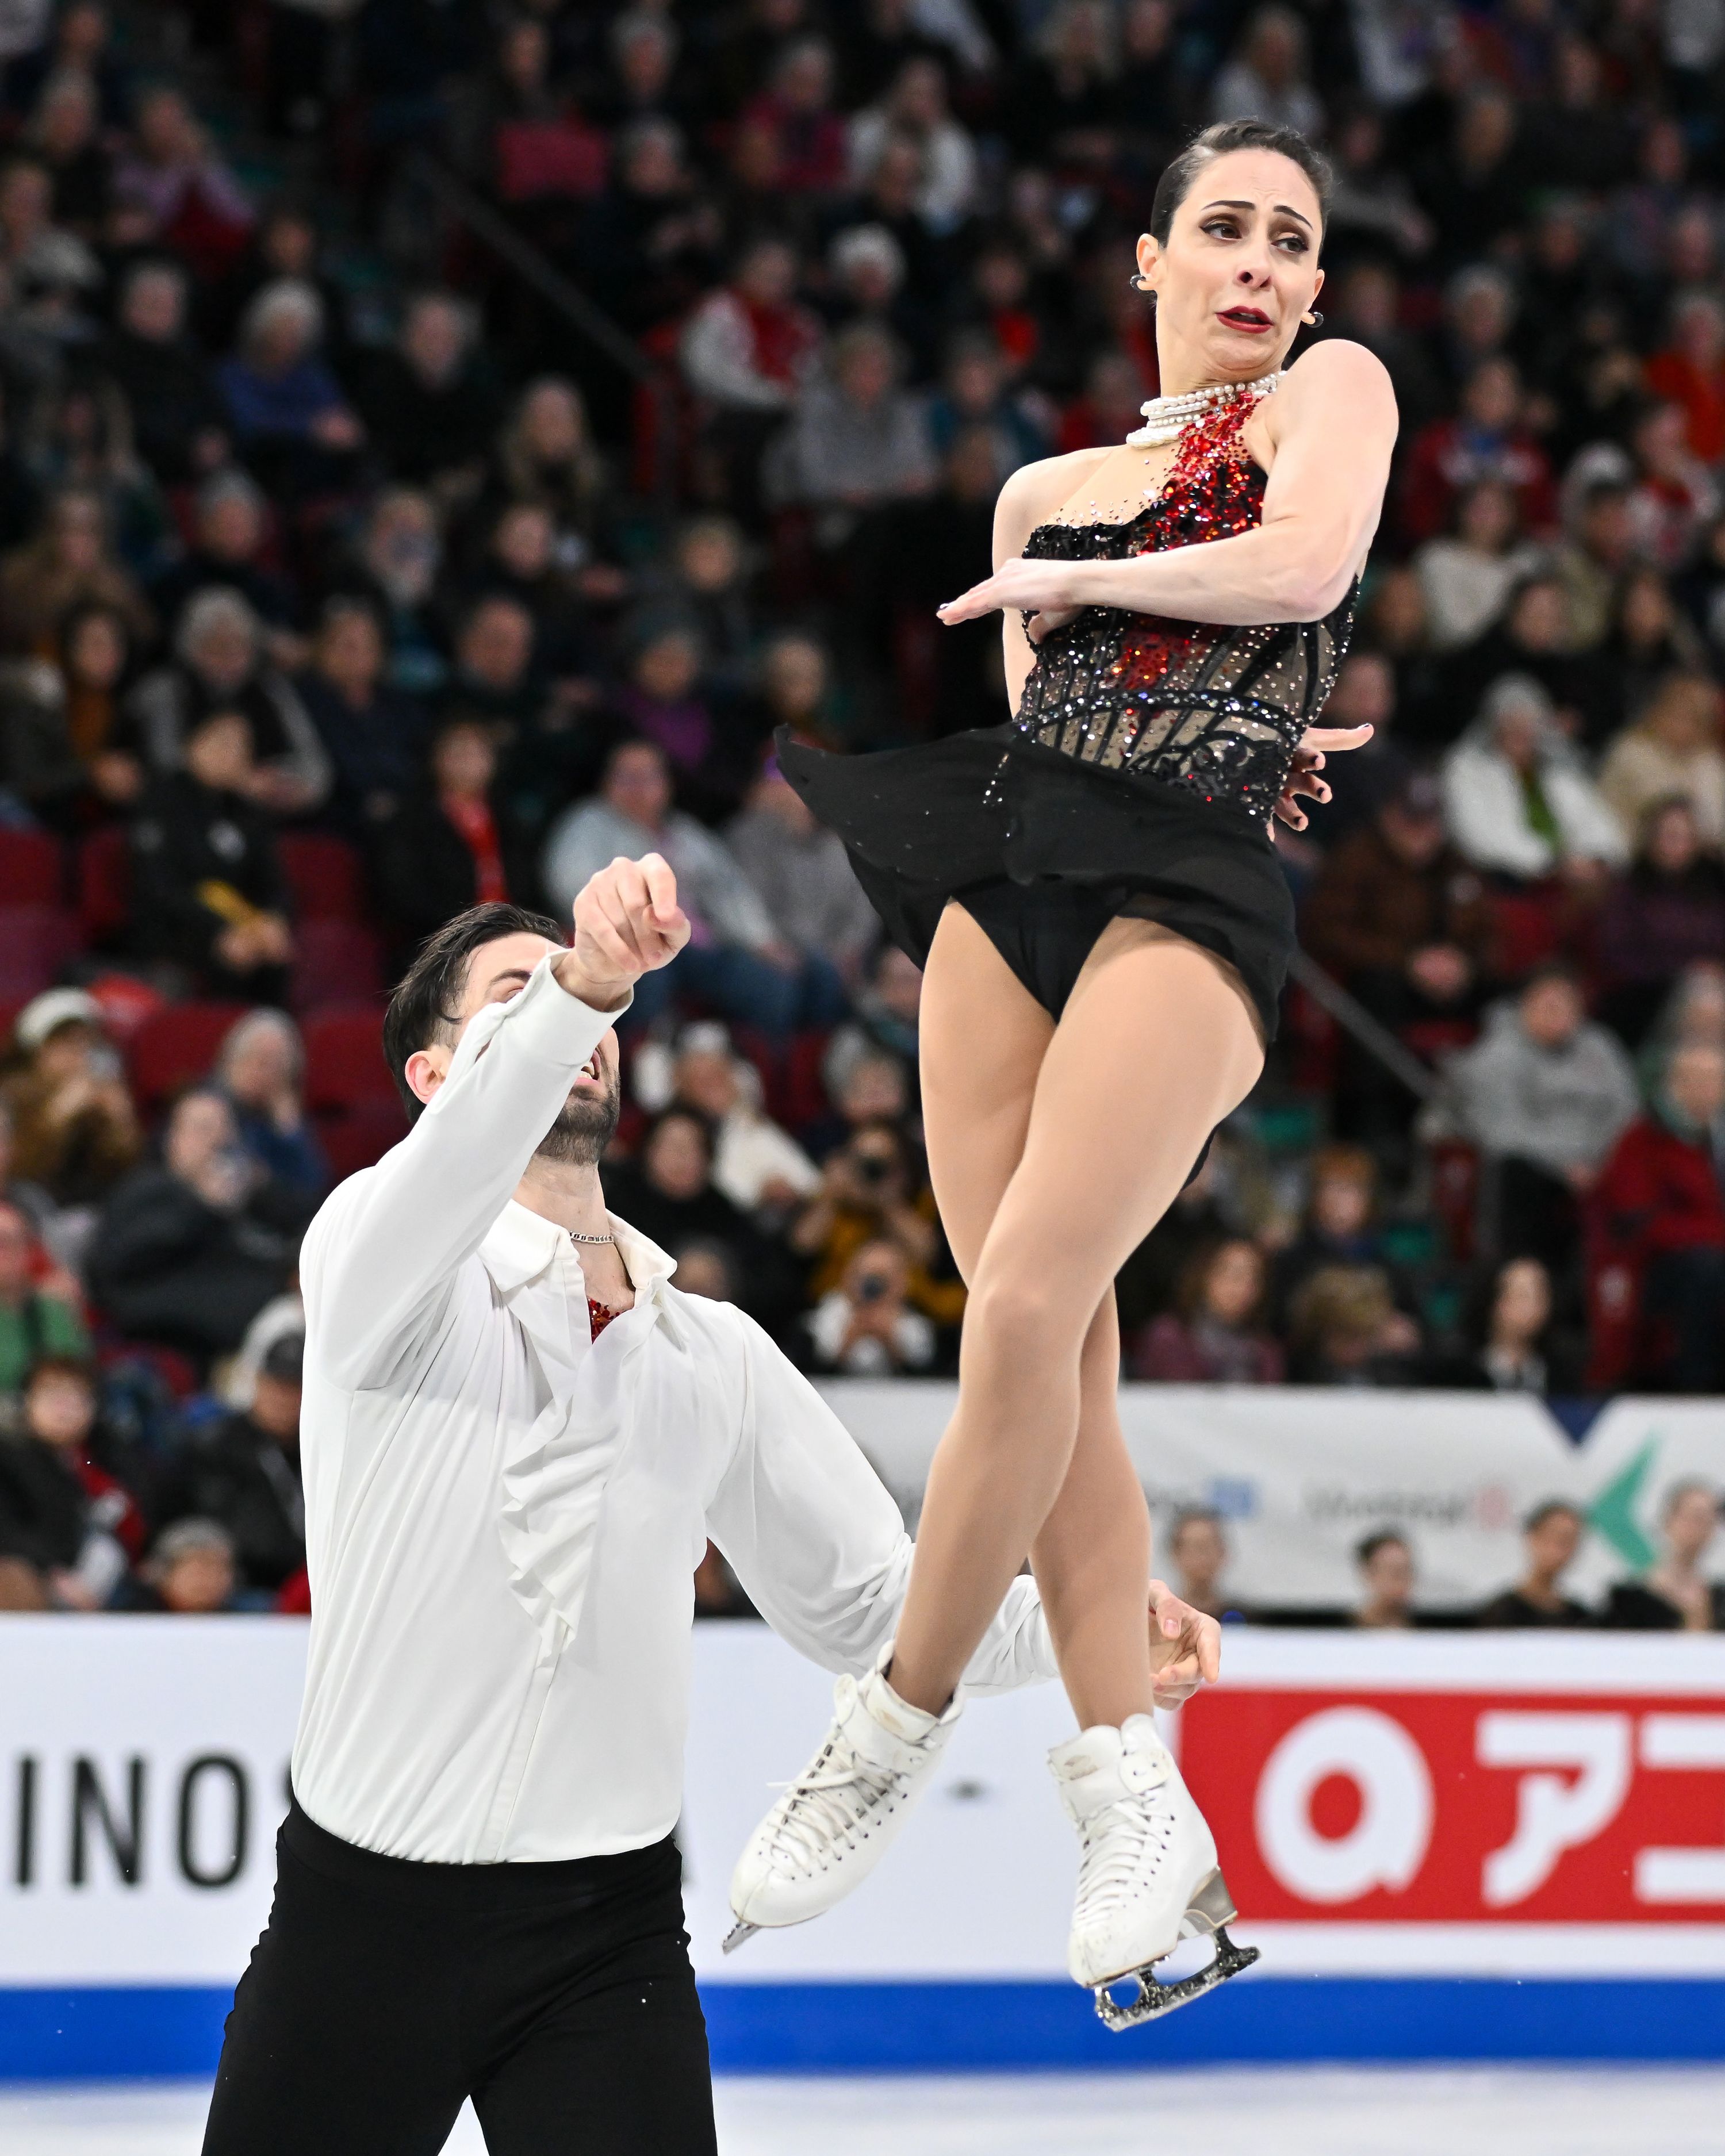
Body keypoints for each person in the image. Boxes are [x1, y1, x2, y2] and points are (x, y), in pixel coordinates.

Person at [199, 878, 1219, 2154]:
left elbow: (870, 1610)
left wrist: (1090, 1630)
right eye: (514, 999)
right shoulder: (372, 1256)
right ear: (429, 1073)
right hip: (360, 1930)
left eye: (578, 1005)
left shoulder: (713, 1349)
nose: (569, 1024)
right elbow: (455, 1164)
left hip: (601, 1946)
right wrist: (579, 984)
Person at [743, 119, 1393, 2019]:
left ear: (1319, 286)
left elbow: (1302, 568)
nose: (1260, 261)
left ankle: (892, 1725)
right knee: (1056, 1347)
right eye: (1225, 230)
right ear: (1151, 257)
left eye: (1292, 236)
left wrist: (1137, 619)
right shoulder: (1046, 485)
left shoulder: (1332, 394)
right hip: (1009, 872)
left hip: (1192, 890)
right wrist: (1103, 615)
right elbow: (1068, 709)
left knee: (1026, 1299)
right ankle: (1133, 1794)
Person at [1454, 968, 1640, 1276]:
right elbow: (1501, 1132)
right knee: (1516, 1172)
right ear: (1525, 1005)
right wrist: (1564, 1165)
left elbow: (1626, 1112)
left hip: (1596, 1165)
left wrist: (1600, 1162)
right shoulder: (1496, 1053)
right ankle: (1525, 1280)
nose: (1558, 1016)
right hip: (1534, 1167)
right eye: (1548, 1006)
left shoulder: (1601, 1047)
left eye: (1568, 1007)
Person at [1130, 1237, 1283, 1383]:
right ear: (1204, 1274)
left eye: (1253, 1277)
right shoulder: (1168, 1338)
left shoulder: (1266, 1351)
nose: (1241, 1286)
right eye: (1231, 1273)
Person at [1601, 1481, 1725, 1631]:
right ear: (1669, 1520)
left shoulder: (1719, 1599)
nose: (1703, 1528)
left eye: (1710, 1520)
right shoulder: (1629, 1600)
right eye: (1696, 1517)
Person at [1477, 1501, 1593, 1628]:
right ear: (1532, 1538)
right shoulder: (1502, 1614)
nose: (1559, 1549)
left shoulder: (1581, 1619)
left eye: (1569, 1540)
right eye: (1553, 1537)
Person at [1165, 1507, 1252, 1625]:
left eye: (1208, 1547)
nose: (1202, 1558)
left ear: (1223, 1552)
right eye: (1195, 1548)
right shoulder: (1161, 1618)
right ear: (1175, 1553)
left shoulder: (1245, 1619)